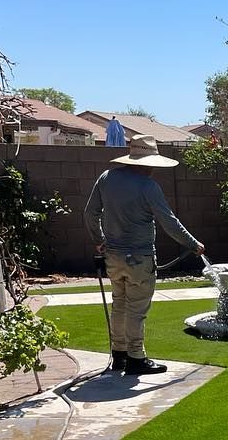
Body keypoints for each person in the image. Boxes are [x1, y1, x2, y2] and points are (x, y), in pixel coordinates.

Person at [84, 135, 206, 375]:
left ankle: (118, 355)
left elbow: (89, 214)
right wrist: (193, 244)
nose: (153, 169)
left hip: (113, 257)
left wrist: (99, 241)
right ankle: (136, 357)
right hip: (140, 258)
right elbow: (169, 222)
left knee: (119, 304)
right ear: (145, 162)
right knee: (137, 308)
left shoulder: (107, 178)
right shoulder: (149, 187)